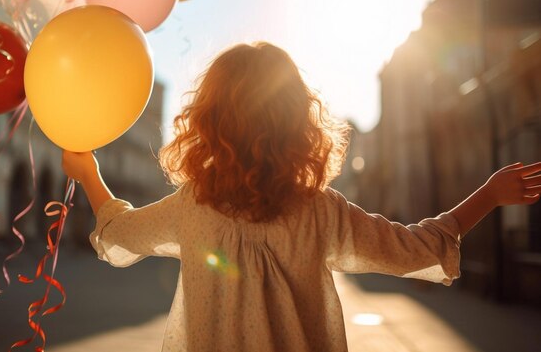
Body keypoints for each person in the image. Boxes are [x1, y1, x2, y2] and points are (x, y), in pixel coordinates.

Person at [62, 42, 541, 352]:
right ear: (296, 120)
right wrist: (489, 194)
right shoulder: (318, 209)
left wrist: (87, 171)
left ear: (208, 121)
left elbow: (118, 232)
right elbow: (414, 247)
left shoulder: (192, 206)